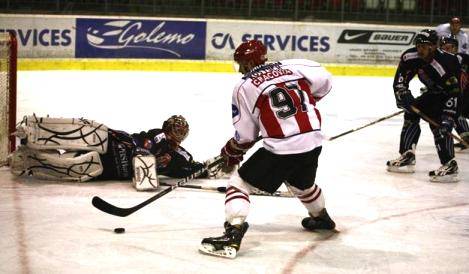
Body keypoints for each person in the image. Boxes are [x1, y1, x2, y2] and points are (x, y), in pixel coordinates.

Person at [199, 40, 335, 259]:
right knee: (301, 183)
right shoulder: (294, 66)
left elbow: (245, 136)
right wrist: (308, 102)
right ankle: (321, 217)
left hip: (282, 148)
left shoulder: (244, 86)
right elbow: (325, 80)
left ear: (250, 62)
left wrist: (231, 150)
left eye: (242, 64)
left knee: (239, 183)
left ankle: (232, 233)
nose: (241, 69)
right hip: (313, 141)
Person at [9, 114, 205, 185]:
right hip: (116, 144)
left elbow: (190, 167)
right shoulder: (158, 135)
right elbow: (143, 150)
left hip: (114, 170)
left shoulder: (181, 156)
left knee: (73, 166)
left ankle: (28, 161)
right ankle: (34, 130)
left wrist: (207, 168)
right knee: (79, 133)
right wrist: (148, 162)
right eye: (173, 131)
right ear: (166, 129)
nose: (175, 137)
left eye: (180, 134)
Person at [386, 29, 462, 183]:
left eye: (424, 46)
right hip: (434, 93)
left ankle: (450, 164)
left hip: (457, 95)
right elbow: (400, 80)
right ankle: (407, 154)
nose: (420, 49)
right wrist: (402, 94)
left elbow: (455, 93)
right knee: (411, 112)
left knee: (440, 125)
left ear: (434, 46)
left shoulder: (447, 62)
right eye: (418, 45)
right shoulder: (410, 56)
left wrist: (448, 118)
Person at [438, 34, 469, 150]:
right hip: (461, 98)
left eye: (449, 47)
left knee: (455, 111)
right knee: (454, 112)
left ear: (455, 48)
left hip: (466, 96)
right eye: (444, 48)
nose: (447, 50)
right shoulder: (438, 63)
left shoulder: (463, 58)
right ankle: (466, 138)